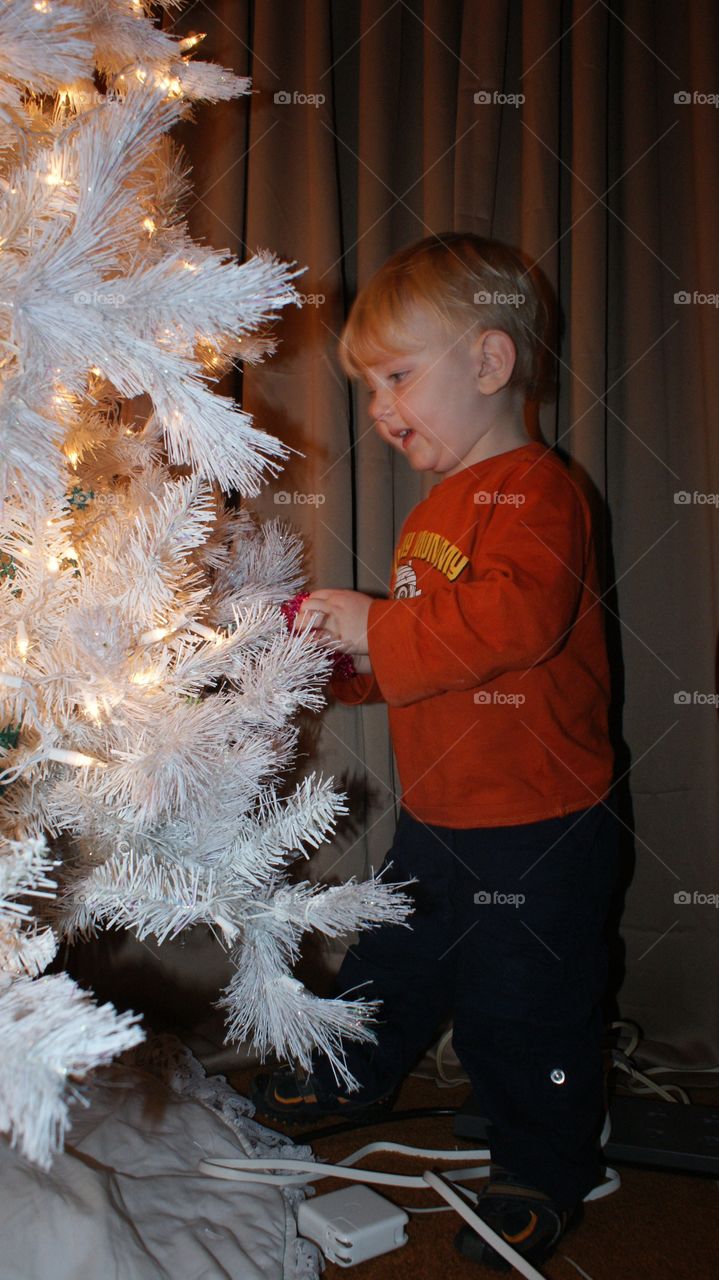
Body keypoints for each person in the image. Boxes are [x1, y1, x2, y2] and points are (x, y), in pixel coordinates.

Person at [251, 233, 619, 1270]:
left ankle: (545, 1162)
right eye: (368, 387)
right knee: (395, 950)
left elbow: (514, 620)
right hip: (441, 811)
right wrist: (335, 664)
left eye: (396, 377)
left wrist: (376, 626)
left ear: (489, 363)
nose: (379, 408)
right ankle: (351, 1069)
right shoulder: (437, 510)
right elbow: (429, 653)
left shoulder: (536, 490)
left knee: (525, 1003)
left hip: (538, 824)